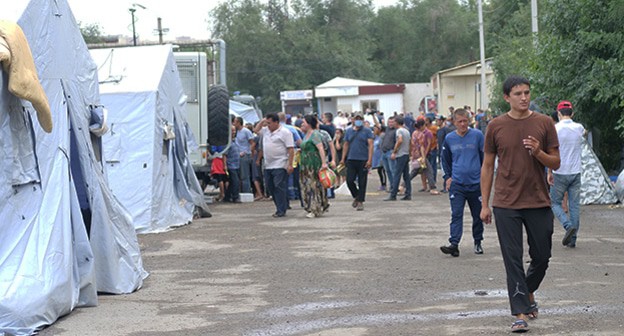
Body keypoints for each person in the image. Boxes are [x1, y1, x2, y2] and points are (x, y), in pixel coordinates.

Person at [480, 76, 560, 333]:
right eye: (518, 94)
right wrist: (485, 204)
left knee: (542, 256)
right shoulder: (495, 126)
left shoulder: (545, 122)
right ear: (507, 97)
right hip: (506, 203)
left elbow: (556, 163)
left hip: (538, 200)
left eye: (526, 92)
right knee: (512, 259)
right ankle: (520, 313)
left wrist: (538, 152)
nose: (524, 97)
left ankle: (528, 291)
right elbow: (488, 166)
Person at [439, 108, 485, 257]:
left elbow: (485, 158)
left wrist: (485, 177)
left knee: (477, 215)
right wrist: (447, 177)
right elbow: (444, 159)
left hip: (476, 183)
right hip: (457, 184)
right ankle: (454, 244)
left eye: (465, 121)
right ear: (454, 122)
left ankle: (477, 241)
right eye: (460, 121)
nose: (463, 124)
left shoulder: (477, 135)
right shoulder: (449, 138)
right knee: (456, 214)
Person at [548, 100, 584, 248]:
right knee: (574, 206)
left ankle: (567, 225)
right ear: (572, 113)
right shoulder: (579, 128)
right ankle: (573, 240)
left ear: (558, 113)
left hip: (559, 171)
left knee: (554, 203)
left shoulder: (554, 129)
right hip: (576, 172)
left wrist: (549, 172)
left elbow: (551, 151)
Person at [254, 113, 295, 218]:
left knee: (279, 186)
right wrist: (262, 122)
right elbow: (255, 130)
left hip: (280, 163)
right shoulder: (266, 131)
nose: (268, 125)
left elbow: (290, 149)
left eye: (270, 123)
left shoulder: (285, 132)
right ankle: (282, 205)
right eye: (267, 123)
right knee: (271, 187)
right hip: (268, 164)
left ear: (276, 122)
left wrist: (290, 164)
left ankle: (281, 210)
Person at [341, 113, 373, 211]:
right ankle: (356, 196)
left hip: (363, 159)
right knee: (349, 180)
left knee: (362, 181)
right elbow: (346, 144)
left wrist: (370, 159)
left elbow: (370, 145)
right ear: (353, 120)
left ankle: (360, 201)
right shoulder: (349, 131)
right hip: (351, 159)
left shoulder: (367, 131)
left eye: (360, 119)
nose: (358, 120)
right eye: (356, 119)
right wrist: (343, 158)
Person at [299, 115, 330, 218]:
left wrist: (324, 163)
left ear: (309, 123)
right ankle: (313, 206)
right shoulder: (306, 134)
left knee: (313, 186)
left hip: (313, 164)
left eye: (304, 122)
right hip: (305, 164)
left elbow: (320, 148)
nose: (302, 124)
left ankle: (315, 208)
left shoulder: (315, 134)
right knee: (306, 186)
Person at [409, 118, 440, 195]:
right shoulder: (421, 134)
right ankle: (432, 188)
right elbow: (423, 146)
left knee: (417, 171)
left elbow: (412, 144)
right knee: (428, 171)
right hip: (421, 155)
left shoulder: (414, 133)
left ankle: (403, 185)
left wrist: (411, 154)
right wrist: (424, 156)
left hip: (416, 154)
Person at [384, 116, 411, 201]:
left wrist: (394, 151)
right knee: (406, 175)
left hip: (401, 155)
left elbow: (399, 140)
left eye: (394, 122)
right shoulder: (407, 131)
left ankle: (393, 194)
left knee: (397, 174)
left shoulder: (399, 131)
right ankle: (408, 194)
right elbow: (410, 143)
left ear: (397, 123)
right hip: (406, 154)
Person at [233, 116, 255, 194]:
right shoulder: (236, 132)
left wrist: (247, 152)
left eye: (235, 122)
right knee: (240, 175)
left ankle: (247, 192)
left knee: (245, 175)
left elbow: (252, 143)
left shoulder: (246, 131)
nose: (233, 123)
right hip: (238, 155)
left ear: (239, 122)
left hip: (244, 155)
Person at [437, 114, 457, 193]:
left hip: (445, 151)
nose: (437, 122)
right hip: (440, 151)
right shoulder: (439, 130)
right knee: (443, 168)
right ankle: (445, 185)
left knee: (447, 168)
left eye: (438, 120)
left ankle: (447, 185)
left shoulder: (446, 130)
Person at [223, 126, 241, 203]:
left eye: (234, 130)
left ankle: (227, 196)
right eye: (232, 131)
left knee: (232, 182)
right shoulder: (227, 143)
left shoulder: (235, 141)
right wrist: (225, 165)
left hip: (237, 164)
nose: (234, 132)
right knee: (235, 181)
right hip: (231, 165)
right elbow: (224, 155)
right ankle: (235, 197)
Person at [380, 116, 397, 192]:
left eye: (392, 122)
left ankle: (395, 187)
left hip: (390, 151)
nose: (390, 124)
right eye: (389, 122)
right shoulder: (387, 129)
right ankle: (392, 186)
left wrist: (394, 152)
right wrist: (373, 115)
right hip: (384, 152)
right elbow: (378, 125)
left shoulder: (396, 131)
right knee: (387, 171)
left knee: (393, 170)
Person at [372, 124, 387, 191]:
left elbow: (382, 147)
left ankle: (384, 184)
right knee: (379, 170)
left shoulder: (382, 136)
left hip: (382, 156)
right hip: (377, 158)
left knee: (381, 170)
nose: (374, 131)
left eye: (375, 129)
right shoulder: (376, 137)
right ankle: (382, 184)